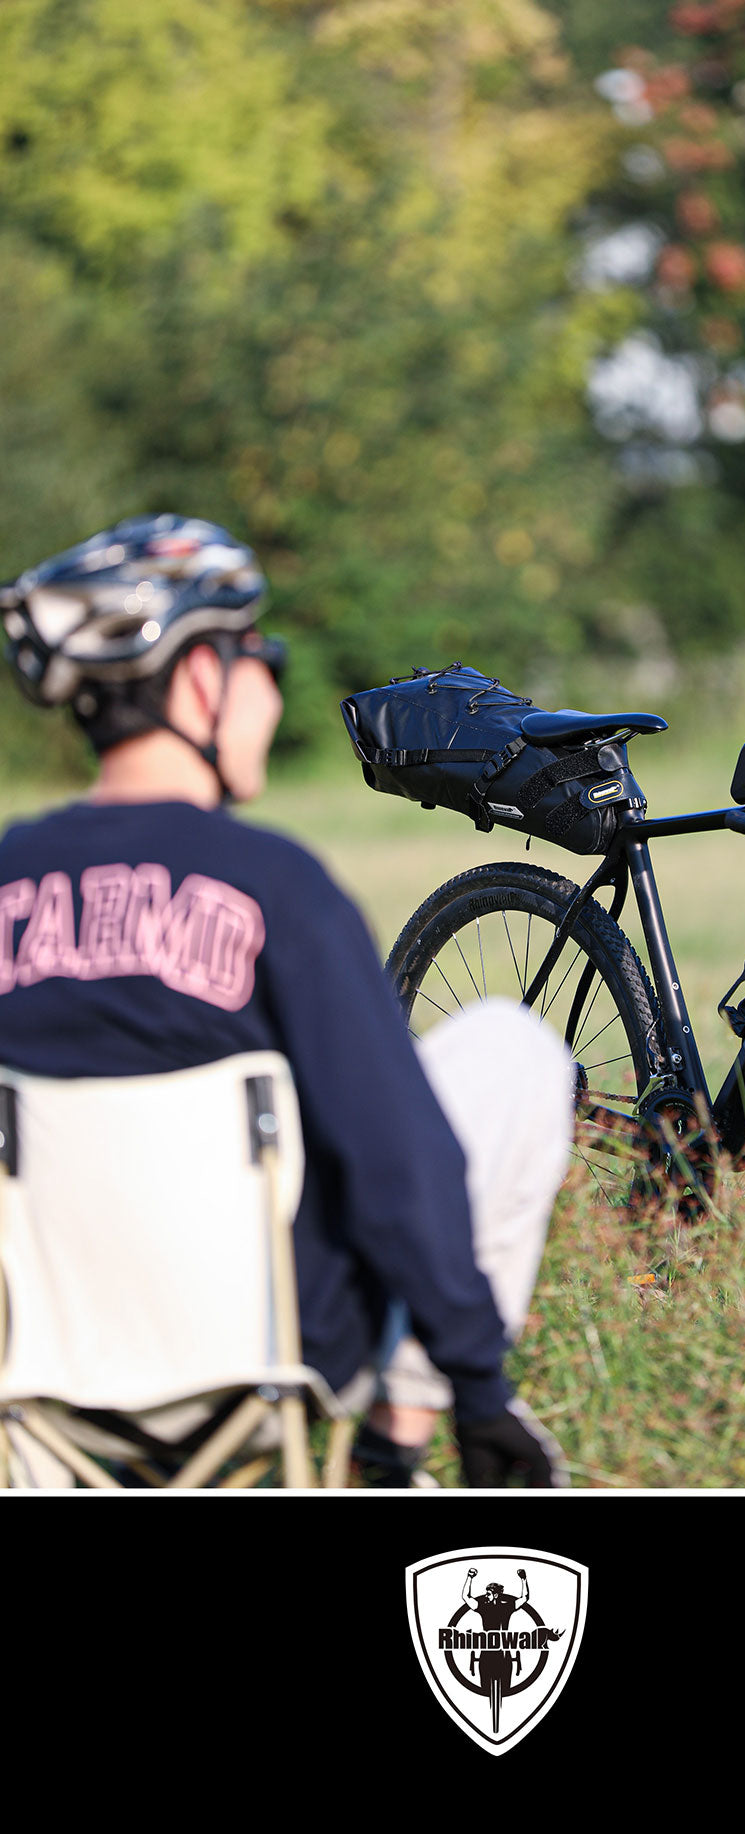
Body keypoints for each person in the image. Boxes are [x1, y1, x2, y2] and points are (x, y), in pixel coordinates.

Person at [0, 514, 573, 1488]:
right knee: (511, 1050)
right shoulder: (277, 886)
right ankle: (389, 1451)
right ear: (196, 679)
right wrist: (479, 1384)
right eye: (257, 651)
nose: (271, 680)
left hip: (42, 1362)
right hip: (271, 1350)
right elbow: (402, 1160)